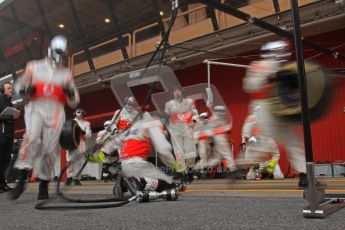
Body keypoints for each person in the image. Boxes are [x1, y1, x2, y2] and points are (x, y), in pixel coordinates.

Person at [10, 35, 80, 200]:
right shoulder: (34, 66)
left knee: (50, 149)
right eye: (57, 51)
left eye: (62, 53)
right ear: (50, 49)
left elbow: (75, 101)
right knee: (32, 138)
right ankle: (21, 179)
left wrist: (70, 93)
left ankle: (43, 183)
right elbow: (19, 84)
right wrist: (26, 90)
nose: (58, 55)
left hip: (56, 110)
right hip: (36, 107)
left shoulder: (66, 74)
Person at [242, 40, 308, 187]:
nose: (283, 54)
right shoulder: (258, 65)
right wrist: (268, 78)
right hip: (262, 107)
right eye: (281, 51)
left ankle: (304, 174)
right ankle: (242, 168)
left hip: (279, 107)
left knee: (293, 141)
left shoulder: (286, 68)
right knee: (261, 143)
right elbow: (249, 85)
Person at [87, 112, 182, 199]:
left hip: (123, 163)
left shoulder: (134, 127)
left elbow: (114, 143)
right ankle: (140, 182)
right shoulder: (154, 125)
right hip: (136, 163)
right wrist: (174, 166)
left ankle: (126, 180)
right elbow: (163, 148)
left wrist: (100, 156)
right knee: (167, 184)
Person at [241, 106, 284, 180]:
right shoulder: (252, 140)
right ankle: (257, 173)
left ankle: (274, 173)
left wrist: (271, 166)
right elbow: (248, 152)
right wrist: (251, 164)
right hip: (258, 163)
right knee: (250, 177)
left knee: (278, 176)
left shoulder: (270, 140)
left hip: (269, 162)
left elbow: (276, 154)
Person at [193, 106, 237, 176]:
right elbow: (209, 131)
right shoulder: (213, 119)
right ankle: (233, 169)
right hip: (218, 138)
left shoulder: (216, 119)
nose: (222, 113)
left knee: (217, 157)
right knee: (226, 153)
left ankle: (202, 166)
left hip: (216, 140)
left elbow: (223, 128)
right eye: (220, 111)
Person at [164, 88, 198, 174]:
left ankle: (190, 168)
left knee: (191, 151)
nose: (177, 92)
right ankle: (182, 172)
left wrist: (193, 121)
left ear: (182, 92)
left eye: (178, 90)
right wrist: (165, 129)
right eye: (175, 91)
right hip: (175, 129)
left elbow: (195, 113)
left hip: (187, 128)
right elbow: (165, 117)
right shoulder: (169, 104)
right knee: (178, 151)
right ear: (173, 93)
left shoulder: (189, 102)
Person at [0, 82, 20, 193]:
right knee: (2, 159)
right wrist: (11, 115)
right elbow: (3, 115)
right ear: (3, 90)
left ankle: (2, 184)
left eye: (12, 88)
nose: (11, 89)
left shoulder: (9, 101)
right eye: (8, 88)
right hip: (1, 133)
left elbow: (11, 115)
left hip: (8, 133)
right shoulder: (0, 98)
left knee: (5, 159)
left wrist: (16, 114)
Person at [65, 108, 91, 186]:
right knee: (70, 160)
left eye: (81, 113)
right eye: (78, 112)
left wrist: (83, 132)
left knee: (79, 161)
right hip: (71, 142)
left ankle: (76, 178)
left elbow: (88, 135)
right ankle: (69, 177)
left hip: (81, 143)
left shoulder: (87, 123)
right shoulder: (70, 122)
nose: (80, 114)